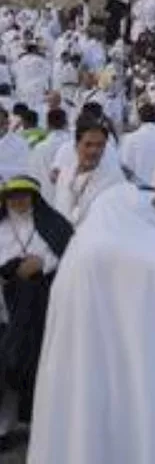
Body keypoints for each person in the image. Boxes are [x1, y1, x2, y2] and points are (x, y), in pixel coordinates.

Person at [28, 183, 155, 464]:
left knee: (86, 426)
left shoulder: (80, 251)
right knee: (144, 420)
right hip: (147, 365)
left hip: (87, 365)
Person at [0, 172, 71, 444]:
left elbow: (68, 251)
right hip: (6, 309)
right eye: (13, 196)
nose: (18, 201)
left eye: (24, 195)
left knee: (41, 366)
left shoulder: (53, 224)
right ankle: (4, 428)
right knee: (6, 366)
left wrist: (44, 263)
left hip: (43, 309)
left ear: (34, 197)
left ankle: (41, 427)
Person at [52, 116, 125, 227]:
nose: (94, 151)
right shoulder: (66, 174)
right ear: (76, 146)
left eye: (100, 145)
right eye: (88, 144)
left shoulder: (115, 179)